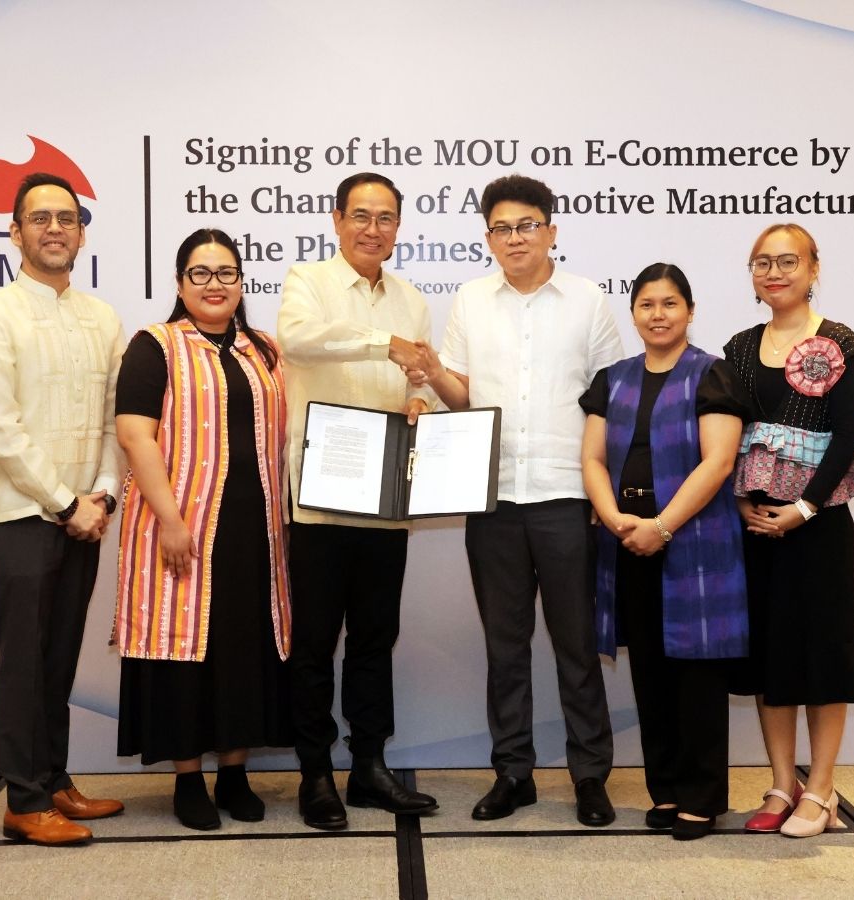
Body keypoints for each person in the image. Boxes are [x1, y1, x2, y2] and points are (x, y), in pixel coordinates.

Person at [410, 175, 620, 826]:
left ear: (552, 231)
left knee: (576, 648)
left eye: (526, 225)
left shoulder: (588, 301)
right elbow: (461, 395)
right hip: (493, 497)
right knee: (505, 647)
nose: (514, 238)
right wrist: (428, 377)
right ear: (488, 239)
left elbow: (610, 402)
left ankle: (589, 777)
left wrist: (600, 493)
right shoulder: (471, 301)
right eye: (501, 228)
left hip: (565, 497)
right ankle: (513, 773)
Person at [0, 173, 126, 845]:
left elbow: (118, 419)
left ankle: (55, 780)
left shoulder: (102, 317)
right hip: (24, 518)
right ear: (16, 231)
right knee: (25, 662)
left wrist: (105, 495)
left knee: (59, 659)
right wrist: (66, 503)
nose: (54, 228)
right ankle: (23, 800)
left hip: (86, 515)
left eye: (67, 218)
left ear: (82, 232)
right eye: (40, 218)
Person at [112, 228, 292, 830]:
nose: (214, 285)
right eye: (200, 273)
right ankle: (189, 779)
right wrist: (168, 518)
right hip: (181, 527)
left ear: (242, 283)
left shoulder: (263, 350)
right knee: (185, 653)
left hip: (252, 529)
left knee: (242, 648)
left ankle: (235, 774)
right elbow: (136, 435)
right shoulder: (154, 346)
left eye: (226, 274)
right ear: (180, 282)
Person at [277, 172, 439, 830]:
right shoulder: (306, 282)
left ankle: (368, 767)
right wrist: (381, 344)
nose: (374, 229)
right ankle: (315, 774)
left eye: (387, 218)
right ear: (338, 219)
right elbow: (297, 342)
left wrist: (420, 398)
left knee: (376, 638)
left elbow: (419, 376)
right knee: (315, 641)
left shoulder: (413, 300)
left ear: (399, 227)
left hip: (387, 492)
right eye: (362, 216)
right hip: (320, 495)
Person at [579, 263, 750, 840]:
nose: (658, 314)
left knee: (696, 672)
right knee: (650, 671)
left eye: (670, 303)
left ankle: (701, 796)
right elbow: (593, 460)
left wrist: (663, 526)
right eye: (647, 304)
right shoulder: (613, 378)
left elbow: (719, 462)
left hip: (694, 543)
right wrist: (614, 519)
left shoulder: (713, 374)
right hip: (627, 540)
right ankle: (667, 791)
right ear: (633, 313)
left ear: (690, 310)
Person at [726, 223, 854, 838]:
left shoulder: (841, 343)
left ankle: (822, 789)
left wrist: (805, 508)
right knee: (771, 653)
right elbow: (726, 434)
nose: (774, 272)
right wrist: (739, 503)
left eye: (788, 261)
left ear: (814, 269)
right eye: (762, 263)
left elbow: (845, 436)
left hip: (817, 524)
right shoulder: (737, 347)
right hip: (757, 524)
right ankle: (781, 783)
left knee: (822, 650)